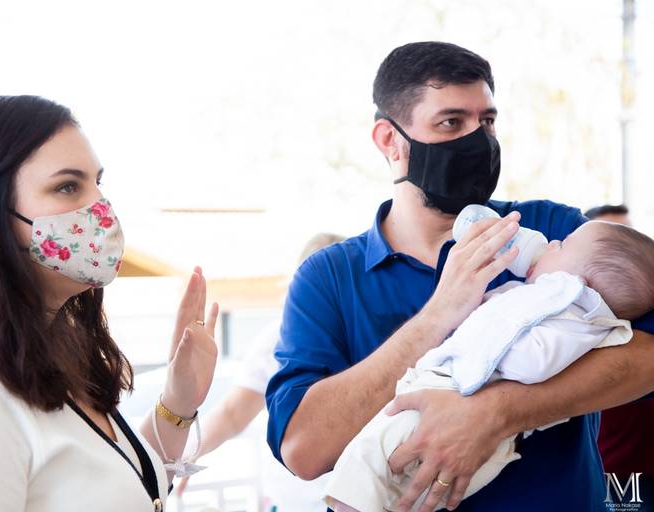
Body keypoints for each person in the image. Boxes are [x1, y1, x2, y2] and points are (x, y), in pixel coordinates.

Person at [266, 42, 654, 512]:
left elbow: (647, 355)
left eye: (486, 122)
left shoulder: (556, 233)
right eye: (451, 122)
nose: (478, 140)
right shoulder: (328, 276)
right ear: (390, 140)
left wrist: (496, 413)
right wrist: (438, 315)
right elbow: (303, 450)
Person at [0, 95, 220, 512]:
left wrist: (178, 401)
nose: (101, 209)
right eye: (67, 186)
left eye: (97, 183)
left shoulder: (45, 352)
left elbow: (121, 491)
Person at [324, 220, 654, 511]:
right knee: (401, 488)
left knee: (370, 451)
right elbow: (303, 453)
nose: (552, 242)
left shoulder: (563, 314)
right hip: (489, 454)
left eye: (564, 245)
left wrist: (488, 403)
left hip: (452, 395)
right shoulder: (329, 271)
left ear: (576, 285)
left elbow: (531, 361)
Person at [176, 233, 344, 511]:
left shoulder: (373, 339)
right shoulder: (277, 338)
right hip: (289, 501)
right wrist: (187, 454)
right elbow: (233, 413)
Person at [585, 204, 654, 510]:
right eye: (614, 237)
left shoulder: (644, 307)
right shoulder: (578, 325)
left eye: (631, 233)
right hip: (611, 473)